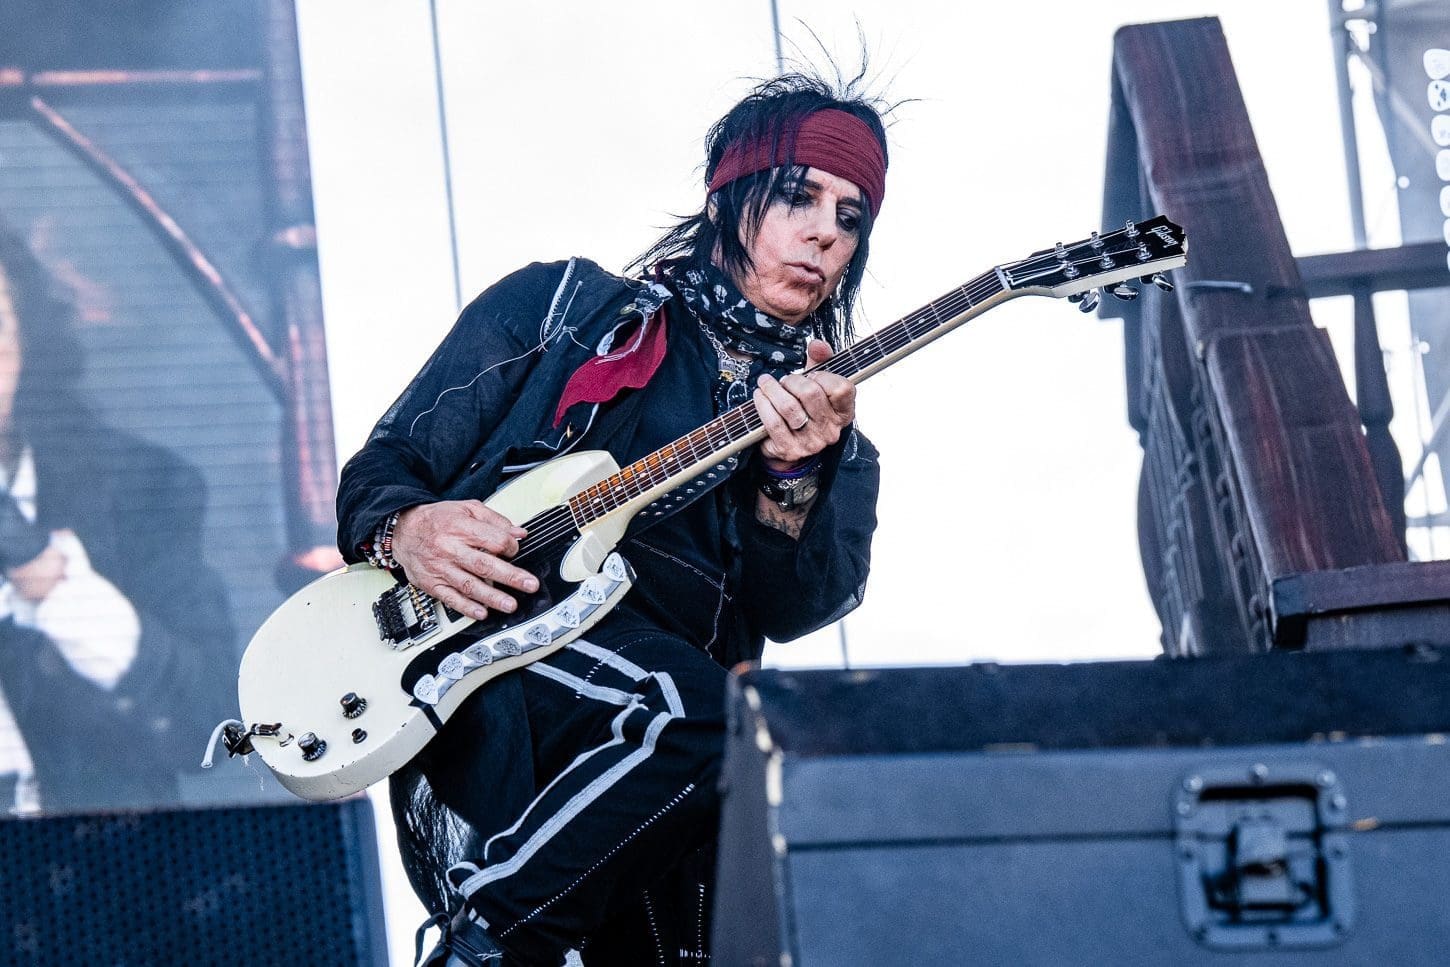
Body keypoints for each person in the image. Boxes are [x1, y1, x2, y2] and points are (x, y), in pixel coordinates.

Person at [336, 72, 888, 966]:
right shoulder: (563, 310)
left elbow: (794, 607)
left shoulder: (831, 434)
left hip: (662, 772)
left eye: (852, 216)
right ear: (726, 199)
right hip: (516, 663)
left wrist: (793, 473)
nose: (827, 230)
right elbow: (384, 468)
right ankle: (482, 945)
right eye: (798, 195)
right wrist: (409, 530)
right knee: (715, 718)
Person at [0, 217, 237, 814]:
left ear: (28, 341)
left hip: (100, 883)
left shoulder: (142, 488)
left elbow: (214, 728)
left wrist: (52, 583)